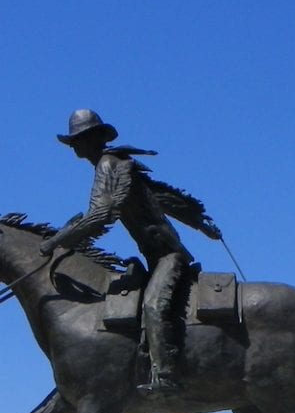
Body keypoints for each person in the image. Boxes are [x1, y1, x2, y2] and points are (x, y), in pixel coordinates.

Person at [38, 109, 222, 395]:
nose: (75, 145)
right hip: (153, 258)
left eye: (78, 139)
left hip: (167, 256)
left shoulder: (108, 165)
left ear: (93, 138)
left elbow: (101, 214)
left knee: (152, 305)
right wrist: (199, 222)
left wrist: (57, 241)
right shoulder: (118, 165)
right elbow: (160, 197)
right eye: (73, 140)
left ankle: (166, 374)